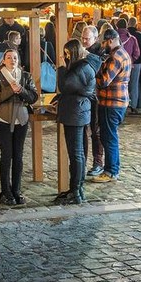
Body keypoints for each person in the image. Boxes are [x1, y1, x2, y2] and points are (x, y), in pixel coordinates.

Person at [0, 47, 38, 205]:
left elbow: (33, 97)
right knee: (6, 155)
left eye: (15, 57)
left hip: (21, 120)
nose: (12, 60)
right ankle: (5, 191)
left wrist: (21, 90)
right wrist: (10, 90)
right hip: (3, 119)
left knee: (18, 156)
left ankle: (16, 189)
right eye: (9, 57)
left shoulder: (26, 76)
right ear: (3, 60)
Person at [53, 39, 98, 204]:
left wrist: (61, 67)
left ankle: (76, 191)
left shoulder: (81, 68)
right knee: (76, 153)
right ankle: (75, 189)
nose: (65, 56)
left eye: (67, 53)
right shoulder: (83, 67)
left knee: (76, 153)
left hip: (75, 113)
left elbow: (64, 85)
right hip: (77, 111)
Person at [91, 31, 131, 183]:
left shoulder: (115, 57)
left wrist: (95, 72)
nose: (103, 45)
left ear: (112, 40)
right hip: (117, 101)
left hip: (111, 102)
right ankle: (113, 168)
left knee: (109, 138)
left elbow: (104, 81)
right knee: (110, 136)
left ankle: (110, 171)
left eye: (104, 42)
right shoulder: (123, 53)